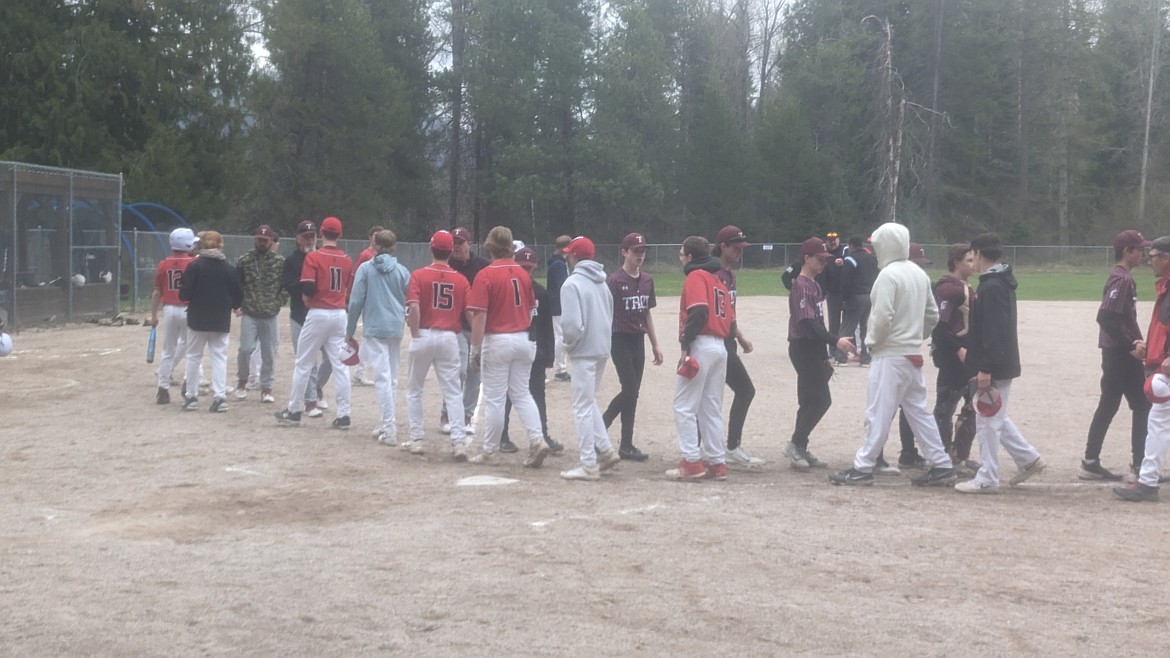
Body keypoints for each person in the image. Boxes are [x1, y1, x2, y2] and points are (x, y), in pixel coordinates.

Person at [829, 223, 956, 486]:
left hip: (890, 356)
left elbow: (882, 316)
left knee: (878, 412)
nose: (875, 250)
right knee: (918, 413)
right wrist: (914, 337)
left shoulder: (887, 275)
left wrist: (872, 343)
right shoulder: (919, 274)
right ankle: (941, 464)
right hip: (911, 355)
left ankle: (863, 467)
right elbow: (932, 315)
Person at [954, 233, 1047, 493]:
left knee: (988, 421)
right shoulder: (995, 282)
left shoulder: (992, 286)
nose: (971, 261)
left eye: (972, 255)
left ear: (979, 253)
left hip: (995, 364)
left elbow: (994, 332)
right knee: (994, 414)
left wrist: (985, 368)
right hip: (997, 362)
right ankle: (1028, 459)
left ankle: (988, 478)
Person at [467, 226, 550, 467]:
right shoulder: (523, 274)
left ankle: (490, 450)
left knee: (494, 398)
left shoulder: (486, 274)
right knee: (522, 393)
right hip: (524, 339)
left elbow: (480, 316)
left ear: (490, 245)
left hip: (499, 340)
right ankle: (537, 439)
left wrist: (475, 348)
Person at [1080, 230, 1151, 480]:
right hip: (1120, 353)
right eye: (1139, 249)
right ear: (1126, 251)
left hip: (1115, 352)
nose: (1142, 253)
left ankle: (1090, 460)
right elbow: (1106, 316)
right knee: (1143, 405)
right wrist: (1131, 343)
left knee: (1109, 404)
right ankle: (1141, 466)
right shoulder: (1122, 280)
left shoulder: (1121, 277)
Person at [275, 216, 355, 429]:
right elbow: (348, 288)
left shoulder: (314, 257)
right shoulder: (347, 259)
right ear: (340, 235)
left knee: (303, 363)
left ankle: (294, 411)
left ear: (321, 232)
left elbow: (308, 289)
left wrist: (306, 298)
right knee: (340, 365)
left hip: (318, 312)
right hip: (339, 313)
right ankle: (344, 415)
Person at [666, 236, 733, 480]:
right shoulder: (719, 281)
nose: (681, 258)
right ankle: (717, 463)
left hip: (701, 344)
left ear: (691, 257)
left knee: (683, 406)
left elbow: (699, 311)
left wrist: (686, 345)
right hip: (720, 347)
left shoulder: (696, 277)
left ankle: (691, 462)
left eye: (682, 254)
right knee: (710, 408)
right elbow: (731, 323)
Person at [557, 236, 621, 481]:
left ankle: (588, 463)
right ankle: (604, 450)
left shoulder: (571, 284)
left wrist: (568, 345)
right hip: (602, 348)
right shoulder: (602, 283)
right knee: (588, 401)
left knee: (581, 406)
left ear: (574, 257)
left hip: (584, 351)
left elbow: (571, 326)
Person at [786, 237, 853, 470]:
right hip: (802, 346)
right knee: (821, 400)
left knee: (808, 400)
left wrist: (824, 354)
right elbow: (807, 323)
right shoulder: (802, 285)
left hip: (813, 348)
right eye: (819, 259)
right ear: (806, 258)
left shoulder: (814, 285)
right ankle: (795, 444)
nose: (823, 263)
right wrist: (835, 341)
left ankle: (800, 446)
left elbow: (818, 323)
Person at [405, 231, 471, 459]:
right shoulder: (460, 279)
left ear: (431, 249)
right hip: (449, 337)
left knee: (415, 390)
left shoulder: (419, 275)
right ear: (450, 251)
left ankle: (417, 439)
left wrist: (415, 333)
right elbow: (469, 312)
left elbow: (413, 307)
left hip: (424, 332)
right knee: (453, 392)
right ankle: (459, 443)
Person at [1115, 235, 1170, 501]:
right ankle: (1147, 480)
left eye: (1153, 256)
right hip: (1160, 363)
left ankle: (1147, 482)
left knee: (1158, 421)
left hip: (1166, 368)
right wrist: (1152, 347)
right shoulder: (1165, 287)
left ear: (1167, 258)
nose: (1150, 262)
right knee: (1158, 421)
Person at [601, 232, 664, 461]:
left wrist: (655, 343)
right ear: (624, 252)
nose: (640, 255)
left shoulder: (647, 280)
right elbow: (604, 313)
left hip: (638, 339)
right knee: (630, 389)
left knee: (633, 394)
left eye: (643, 251)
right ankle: (601, 425)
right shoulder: (614, 280)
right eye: (635, 251)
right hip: (619, 338)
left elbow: (646, 312)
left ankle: (626, 444)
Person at [348, 229, 409, 443]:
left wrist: (349, 331)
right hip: (395, 327)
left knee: (382, 378)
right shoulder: (402, 271)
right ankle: (385, 423)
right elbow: (409, 299)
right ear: (393, 246)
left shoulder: (366, 269)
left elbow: (355, 301)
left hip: (375, 326)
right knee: (391, 378)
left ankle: (389, 428)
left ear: (375, 244)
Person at [501, 247, 564, 455]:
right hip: (515, 349)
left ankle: (543, 435)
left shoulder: (540, 293)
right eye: (522, 267)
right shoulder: (508, 289)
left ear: (535, 268)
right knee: (509, 394)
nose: (526, 271)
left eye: (529, 267)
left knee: (538, 394)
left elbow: (547, 326)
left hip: (535, 351)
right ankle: (502, 436)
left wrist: (549, 355)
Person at [712, 225, 763, 467]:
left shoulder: (730, 275)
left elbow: (729, 313)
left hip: (728, 341)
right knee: (739, 391)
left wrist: (740, 336)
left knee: (727, 393)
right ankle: (722, 446)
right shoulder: (711, 274)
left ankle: (728, 446)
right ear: (723, 247)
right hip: (714, 341)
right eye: (736, 247)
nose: (740, 252)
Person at [178, 230, 243, 412]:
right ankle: (220, 397)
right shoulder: (229, 268)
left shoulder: (194, 266)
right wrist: (235, 305)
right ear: (220, 245)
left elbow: (184, 294)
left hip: (197, 318)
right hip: (220, 319)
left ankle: (191, 397)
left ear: (202, 245)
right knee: (219, 357)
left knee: (193, 357)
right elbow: (238, 294)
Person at [283, 221, 330, 418]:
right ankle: (310, 402)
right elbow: (290, 286)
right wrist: (307, 283)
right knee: (307, 360)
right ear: (298, 238)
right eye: (306, 236)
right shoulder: (292, 260)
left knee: (331, 359)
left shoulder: (323, 257)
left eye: (312, 236)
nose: (309, 239)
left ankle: (316, 386)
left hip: (323, 315)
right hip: (300, 315)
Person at [234, 225, 286, 404]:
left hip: (270, 313)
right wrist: (237, 304)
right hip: (250, 311)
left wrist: (279, 301)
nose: (262, 243)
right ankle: (242, 381)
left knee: (269, 352)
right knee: (245, 349)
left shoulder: (279, 261)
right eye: (259, 240)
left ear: (271, 241)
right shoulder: (246, 259)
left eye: (265, 240)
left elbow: (284, 285)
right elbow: (237, 283)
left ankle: (266, 388)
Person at [446, 227, 490, 435]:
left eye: (460, 242)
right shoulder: (446, 265)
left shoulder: (482, 266)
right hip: (454, 327)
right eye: (453, 242)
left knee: (474, 373)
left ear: (469, 244)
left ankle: (466, 415)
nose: (456, 246)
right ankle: (447, 413)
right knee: (458, 371)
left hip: (477, 327)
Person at [151, 228, 198, 404]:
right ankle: (187, 383)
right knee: (190, 349)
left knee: (168, 351)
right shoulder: (194, 263)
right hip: (188, 309)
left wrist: (154, 315)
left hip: (169, 309)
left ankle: (162, 389)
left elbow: (157, 292)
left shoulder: (163, 264)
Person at [351, 225, 384, 386]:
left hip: (377, 299)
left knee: (370, 336)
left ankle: (359, 370)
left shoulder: (382, 256)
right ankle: (359, 370)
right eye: (374, 236)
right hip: (368, 299)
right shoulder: (365, 255)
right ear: (370, 237)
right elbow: (355, 275)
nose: (376, 239)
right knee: (369, 336)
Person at [838, 235, 878, 367]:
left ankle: (841, 357)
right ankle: (865, 359)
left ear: (851, 246)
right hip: (870, 296)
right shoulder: (872, 259)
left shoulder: (850, 259)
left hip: (855, 296)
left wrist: (844, 298)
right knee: (865, 328)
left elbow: (845, 280)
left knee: (847, 327)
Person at [548, 235, 571, 381]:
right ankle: (560, 369)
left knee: (561, 336)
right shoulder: (559, 264)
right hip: (559, 304)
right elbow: (563, 286)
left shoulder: (558, 262)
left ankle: (560, 367)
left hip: (557, 303)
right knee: (561, 336)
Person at [822, 231, 847, 363]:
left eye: (834, 239)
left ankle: (846, 349)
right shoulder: (825, 254)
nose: (832, 242)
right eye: (829, 240)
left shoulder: (845, 251)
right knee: (834, 324)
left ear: (839, 240)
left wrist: (843, 262)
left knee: (848, 323)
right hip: (832, 292)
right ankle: (833, 349)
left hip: (846, 292)